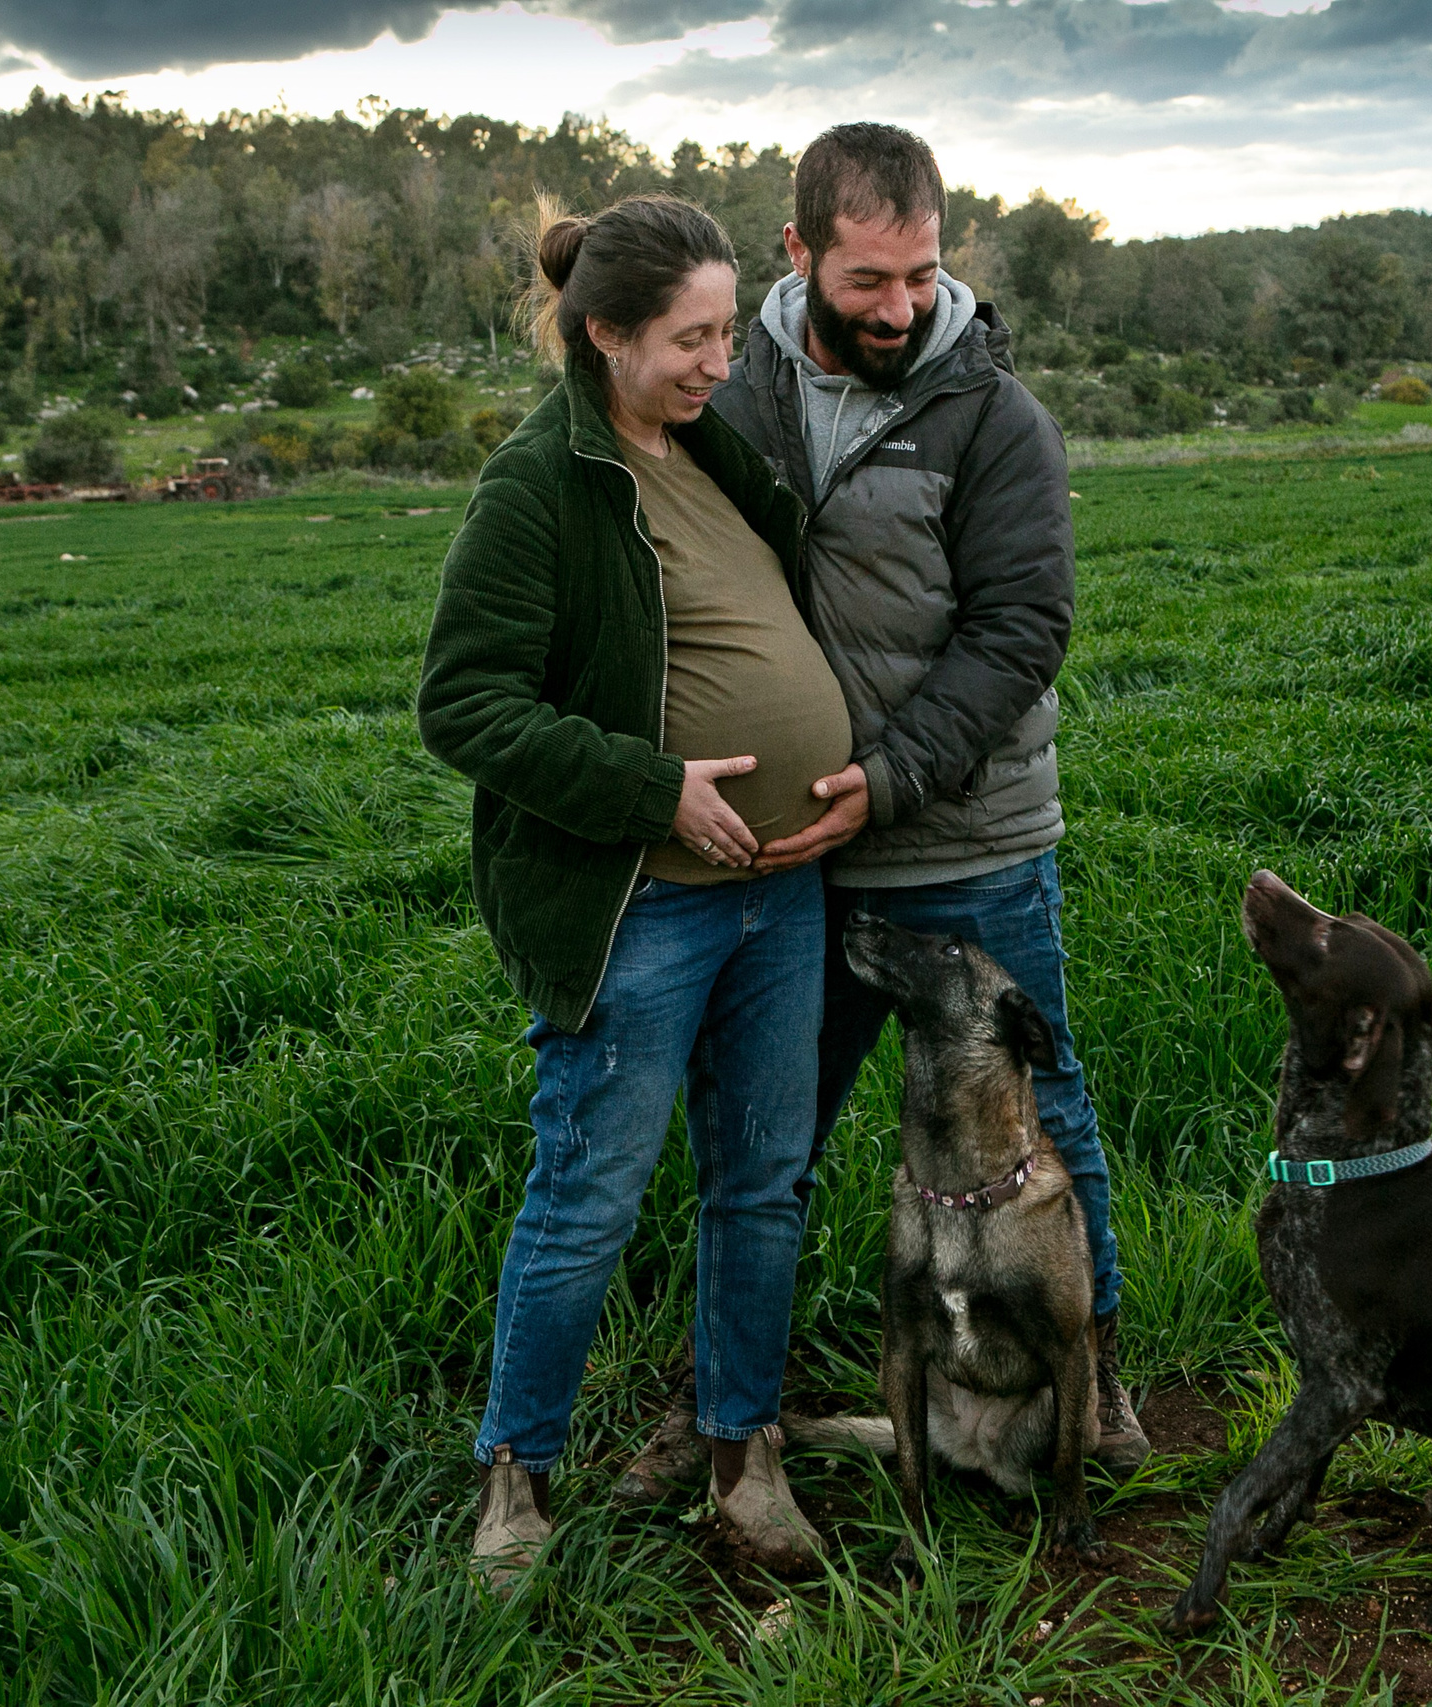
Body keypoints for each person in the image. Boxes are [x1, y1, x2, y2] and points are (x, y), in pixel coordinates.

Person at [616, 124, 1148, 1507]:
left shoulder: (995, 417)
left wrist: (893, 776)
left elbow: (1025, 625)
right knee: (764, 1139)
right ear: (798, 254)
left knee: (1045, 1112)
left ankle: (1094, 1374)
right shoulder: (732, 393)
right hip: (796, 860)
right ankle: (732, 1406)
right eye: (869, 280)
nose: (902, 307)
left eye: (920, 275)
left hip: (965, 839)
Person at [417, 194, 852, 1592]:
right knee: (588, 1198)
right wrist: (655, 787)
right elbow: (465, 705)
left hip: (780, 895)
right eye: (691, 337)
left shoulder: (710, 447)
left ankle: (744, 1454)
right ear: (604, 333)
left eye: (730, 329)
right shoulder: (542, 482)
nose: (725, 359)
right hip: (645, 906)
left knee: (762, 1186)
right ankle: (515, 1477)